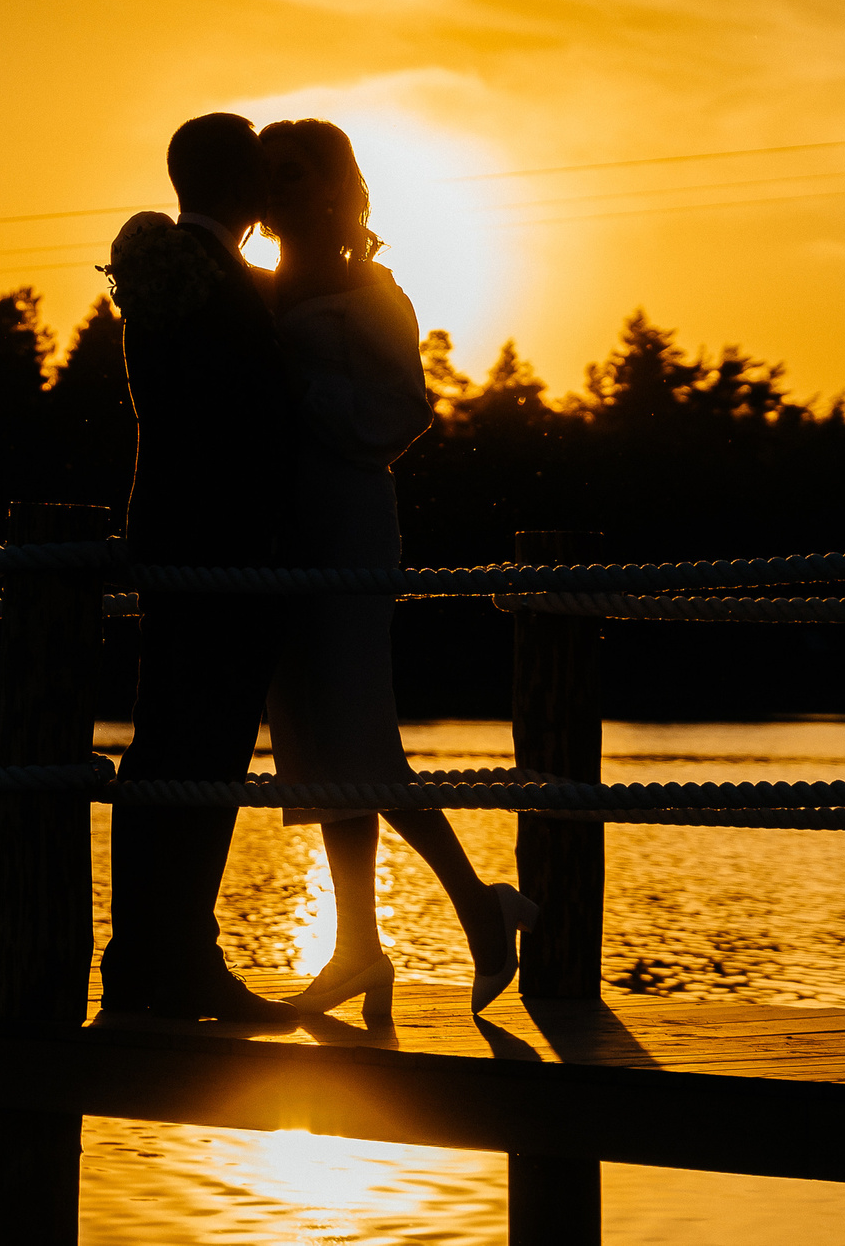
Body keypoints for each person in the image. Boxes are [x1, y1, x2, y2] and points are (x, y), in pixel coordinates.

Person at [250, 117, 534, 1022]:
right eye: (267, 176)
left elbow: (403, 410)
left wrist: (298, 393)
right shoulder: (260, 287)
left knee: (364, 743)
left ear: (333, 186)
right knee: (317, 742)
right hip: (283, 530)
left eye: (292, 174)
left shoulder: (370, 289)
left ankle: (480, 908)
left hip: (345, 522)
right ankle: (360, 948)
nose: (278, 188)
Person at [97, 112, 305, 1023]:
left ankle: (144, 954)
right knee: (206, 752)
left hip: (169, 532)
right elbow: (253, 427)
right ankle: (180, 956)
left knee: (162, 748)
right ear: (244, 186)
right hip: (226, 546)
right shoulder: (227, 289)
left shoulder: (168, 274)